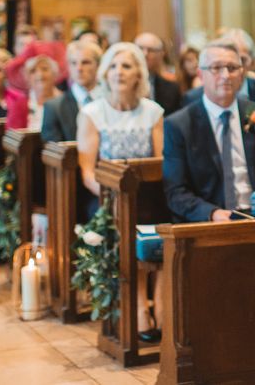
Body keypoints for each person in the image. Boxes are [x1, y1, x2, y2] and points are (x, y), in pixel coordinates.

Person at [77, 42, 164, 339]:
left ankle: (163, 303)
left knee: (165, 223)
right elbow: (87, 171)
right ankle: (139, 305)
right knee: (124, 226)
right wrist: (109, 197)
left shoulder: (153, 112)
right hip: (106, 198)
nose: (119, 72)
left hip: (150, 196)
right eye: (113, 66)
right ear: (104, 74)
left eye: (126, 66)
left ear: (139, 73)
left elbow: (160, 162)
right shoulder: (92, 113)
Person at [163, 39, 255, 223]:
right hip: (208, 222)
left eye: (232, 68)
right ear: (200, 74)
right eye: (216, 68)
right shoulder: (179, 125)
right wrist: (212, 214)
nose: (226, 75)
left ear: (241, 73)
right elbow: (176, 192)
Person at [183, 29, 255, 148]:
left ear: (252, 63)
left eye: (242, 60)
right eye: (226, 65)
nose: (232, 71)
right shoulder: (194, 97)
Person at [41, 40, 103, 143]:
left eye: (85, 62)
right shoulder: (53, 107)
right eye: (73, 63)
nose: (79, 68)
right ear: (68, 67)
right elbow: (53, 155)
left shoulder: (112, 101)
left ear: (98, 65)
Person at [134, 32, 182, 116]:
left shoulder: (172, 89)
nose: (145, 54)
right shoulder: (119, 86)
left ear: (161, 54)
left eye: (151, 50)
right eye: (140, 48)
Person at [25, 55, 62, 130]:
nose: (39, 75)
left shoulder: (65, 101)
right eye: (33, 71)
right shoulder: (22, 102)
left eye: (44, 69)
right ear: (28, 77)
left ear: (55, 74)